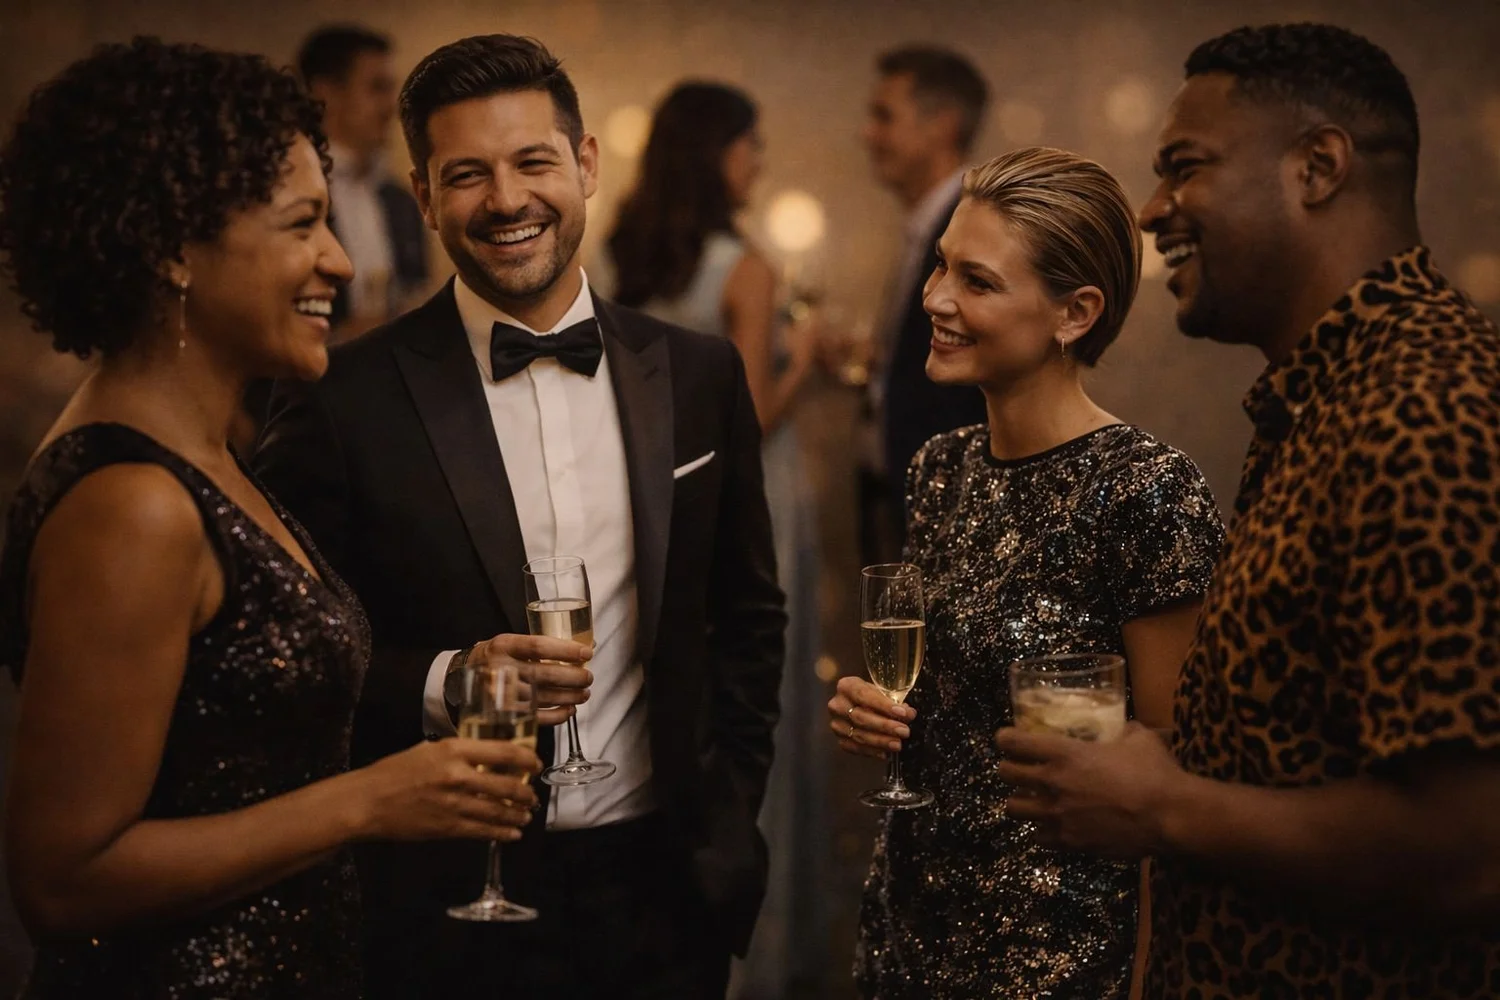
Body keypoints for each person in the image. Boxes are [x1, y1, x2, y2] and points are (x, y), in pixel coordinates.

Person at [0, 38, 550, 999]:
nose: (337, 260)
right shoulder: (131, 502)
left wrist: (459, 673)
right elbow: (61, 879)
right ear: (175, 246)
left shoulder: (208, 450)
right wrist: (372, 800)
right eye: (303, 224)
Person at [253, 34, 786, 999]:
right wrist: (443, 680)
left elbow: (747, 618)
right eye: (467, 175)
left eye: (533, 161)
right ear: (423, 196)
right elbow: (287, 656)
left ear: (583, 165)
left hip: (664, 890)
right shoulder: (345, 401)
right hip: (444, 899)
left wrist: (728, 806)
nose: (506, 200)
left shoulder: (700, 374)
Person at [994, 24, 1500, 1000]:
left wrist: (1167, 807)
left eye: (1185, 168)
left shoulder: (1424, 410)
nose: (1151, 209)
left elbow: (1472, 847)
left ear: (1317, 168)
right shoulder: (1327, 398)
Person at [827, 147, 1224, 999]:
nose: (935, 299)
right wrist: (885, 709)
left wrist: (1153, 979)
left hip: (1063, 956)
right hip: (912, 924)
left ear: (1075, 312)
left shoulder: (1148, 491)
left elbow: (1175, 776)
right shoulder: (941, 467)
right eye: (940, 265)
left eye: (977, 281)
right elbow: (954, 692)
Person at [603, 81, 823, 996]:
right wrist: (803, 355)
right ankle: (763, 958)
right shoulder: (746, 266)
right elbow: (754, 413)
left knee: (681, 684)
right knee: (757, 694)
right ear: (716, 152)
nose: (758, 162)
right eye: (749, 144)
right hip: (750, 496)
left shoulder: (638, 253)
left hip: (658, 497)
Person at [853, 46, 991, 563]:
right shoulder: (929, 220)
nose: (868, 134)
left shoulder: (972, 223)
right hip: (904, 491)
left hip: (951, 500)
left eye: (884, 116)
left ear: (943, 126)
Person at [297, 25, 430, 338]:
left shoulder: (401, 199)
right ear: (324, 92)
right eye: (376, 88)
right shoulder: (286, 196)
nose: (391, 107)